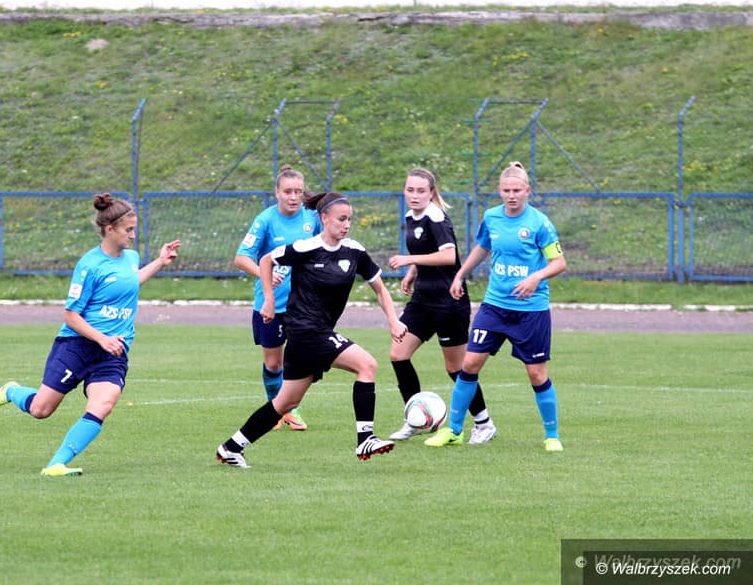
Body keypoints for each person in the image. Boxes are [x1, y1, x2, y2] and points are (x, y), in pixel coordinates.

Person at [0, 193, 181, 476]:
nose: (133, 235)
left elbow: (129, 283)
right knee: (41, 410)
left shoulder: (131, 258)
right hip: (77, 345)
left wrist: (159, 261)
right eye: (128, 230)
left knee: (103, 404)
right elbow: (71, 315)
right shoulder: (89, 265)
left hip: (113, 351)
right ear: (110, 229)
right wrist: (102, 338)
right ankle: (10, 391)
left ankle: (55, 465)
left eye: (134, 229)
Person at [216, 191, 408, 468]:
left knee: (285, 403)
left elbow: (379, 288)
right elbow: (267, 260)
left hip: (314, 335)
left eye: (350, 219)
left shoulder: (354, 251)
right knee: (367, 365)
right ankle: (365, 438)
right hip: (306, 331)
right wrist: (268, 299)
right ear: (324, 218)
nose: (346, 225)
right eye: (341, 219)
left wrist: (393, 320)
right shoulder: (306, 248)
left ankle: (231, 447)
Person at [424, 161, 566, 451]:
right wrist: (460, 274)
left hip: (530, 310)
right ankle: (454, 430)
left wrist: (535, 278)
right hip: (494, 306)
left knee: (536, 374)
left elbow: (559, 262)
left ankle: (552, 436)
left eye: (517, 191)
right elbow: (483, 247)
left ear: (527, 191)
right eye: (506, 191)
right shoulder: (491, 217)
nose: (511, 195)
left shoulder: (539, 223)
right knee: (469, 364)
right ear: (499, 191)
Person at [386, 168, 496, 444]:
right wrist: (413, 273)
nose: (414, 195)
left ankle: (484, 423)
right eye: (410, 190)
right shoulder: (411, 216)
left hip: (449, 302)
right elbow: (425, 250)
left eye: (421, 191)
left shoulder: (436, 217)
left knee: (456, 368)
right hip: (422, 301)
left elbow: (448, 256)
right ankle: (416, 418)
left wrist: (409, 261)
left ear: (431, 192)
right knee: (398, 354)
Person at [234, 164, 321, 431]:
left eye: (298, 191)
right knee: (274, 363)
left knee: (302, 359)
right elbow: (241, 258)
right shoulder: (265, 220)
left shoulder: (312, 218)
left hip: (303, 304)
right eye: (288, 192)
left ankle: (290, 409)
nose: (293, 197)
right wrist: (265, 274)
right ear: (277, 192)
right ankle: (276, 410)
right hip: (271, 303)